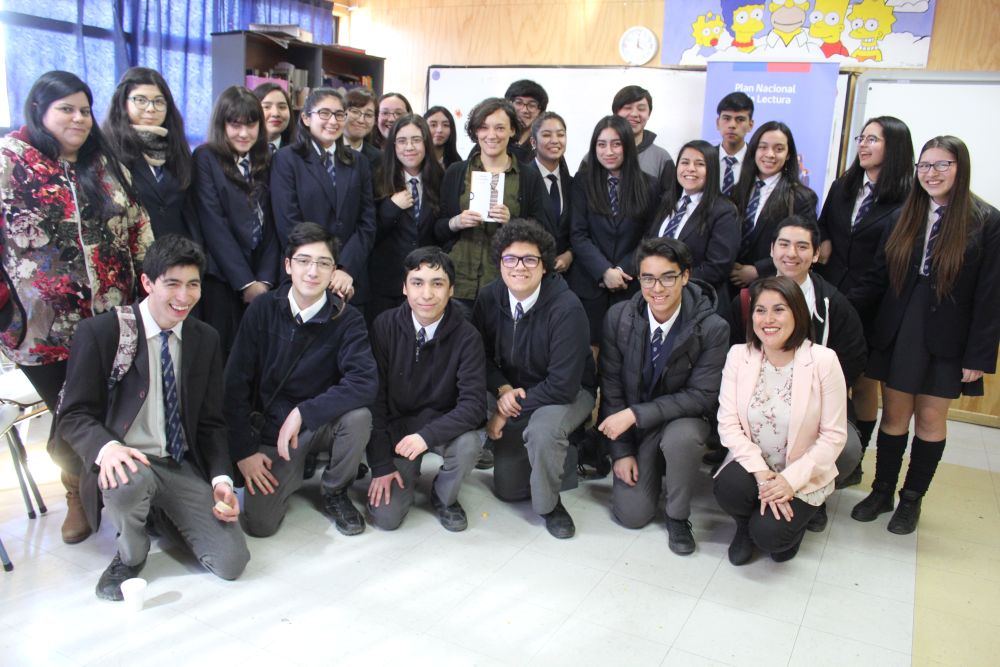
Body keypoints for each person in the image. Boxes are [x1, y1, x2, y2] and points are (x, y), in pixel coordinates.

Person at [0, 70, 153, 545]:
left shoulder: (105, 165)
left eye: (85, 110)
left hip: (111, 321)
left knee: (106, 407)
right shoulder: (9, 162)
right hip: (41, 330)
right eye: (66, 109)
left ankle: (110, 488)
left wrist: (150, 289)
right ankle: (76, 494)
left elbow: (138, 227)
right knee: (69, 414)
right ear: (39, 110)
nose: (79, 119)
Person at [57, 235, 249, 600]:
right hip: (130, 460)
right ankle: (130, 554)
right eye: (172, 283)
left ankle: (158, 513)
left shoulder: (205, 338)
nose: (184, 296)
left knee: (231, 562)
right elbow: (73, 414)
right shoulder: (102, 332)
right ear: (147, 282)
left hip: (178, 461)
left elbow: (211, 422)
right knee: (128, 482)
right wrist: (107, 448)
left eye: (193, 284)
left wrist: (221, 479)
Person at [849, 136, 1000, 534]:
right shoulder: (904, 215)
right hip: (900, 328)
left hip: (950, 337)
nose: (931, 173)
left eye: (942, 165)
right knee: (894, 417)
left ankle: (911, 499)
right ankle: (882, 491)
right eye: (925, 165)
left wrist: (978, 357)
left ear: (960, 167)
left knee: (930, 420)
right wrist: (839, 305)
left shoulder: (986, 220)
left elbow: (991, 294)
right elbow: (877, 278)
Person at [225, 223, 376, 537]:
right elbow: (234, 384)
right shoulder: (263, 309)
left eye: (323, 263)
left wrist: (304, 412)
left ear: (334, 270)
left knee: (359, 417)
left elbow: (364, 381)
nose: (312, 271)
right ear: (288, 265)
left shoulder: (347, 318)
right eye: (304, 261)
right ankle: (297, 467)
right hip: (274, 430)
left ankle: (335, 490)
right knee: (260, 525)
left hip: (320, 422)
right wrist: (244, 452)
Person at [730, 215, 866, 529]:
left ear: (816, 254)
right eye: (784, 244)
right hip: (759, 406)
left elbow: (853, 359)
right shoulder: (748, 300)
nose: (792, 253)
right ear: (772, 250)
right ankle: (760, 492)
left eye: (802, 246)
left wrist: (813, 399)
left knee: (847, 448)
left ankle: (812, 495)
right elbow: (734, 354)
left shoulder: (833, 304)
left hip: (815, 410)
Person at [598, 238, 729, 554]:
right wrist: (621, 452)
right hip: (638, 427)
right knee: (631, 515)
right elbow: (612, 387)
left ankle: (677, 515)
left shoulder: (713, 327)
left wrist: (635, 414)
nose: (657, 288)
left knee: (682, 438)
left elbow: (702, 396)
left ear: (685, 276)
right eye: (648, 278)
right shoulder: (619, 317)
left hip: (682, 422)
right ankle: (651, 469)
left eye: (668, 277)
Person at [473, 220, 596, 538]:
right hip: (515, 391)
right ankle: (556, 457)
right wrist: (503, 389)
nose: (519, 267)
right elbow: (480, 357)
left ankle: (551, 506)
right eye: (510, 259)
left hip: (566, 392)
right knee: (509, 490)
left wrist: (505, 410)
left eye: (530, 259)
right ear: (500, 262)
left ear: (544, 265)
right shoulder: (489, 297)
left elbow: (563, 385)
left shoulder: (567, 307)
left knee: (544, 431)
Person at [714, 276, 847, 565]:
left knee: (772, 537)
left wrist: (789, 480)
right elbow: (728, 423)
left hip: (800, 470)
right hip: (756, 464)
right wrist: (762, 474)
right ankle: (744, 526)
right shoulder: (739, 355)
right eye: (760, 310)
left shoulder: (823, 360)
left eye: (779, 310)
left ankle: (783, 528)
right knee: (728, 487)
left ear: (797, 313)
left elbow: (834, 436)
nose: (768, 319)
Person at [817, 116, 913, 482]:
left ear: (894, 147)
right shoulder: (844, 185)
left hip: (871, 304)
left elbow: (884, 266)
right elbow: (823, 226)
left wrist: (845, 304)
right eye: (862, 137)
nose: (863, 144)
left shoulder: (906, 198)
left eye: (873, 139)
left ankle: (855, 458)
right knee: (826, 378)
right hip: (829, 293)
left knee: (862, 382)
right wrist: (824, 239)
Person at [367, 247, 486, 531]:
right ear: (404, 288)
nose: (427, 294)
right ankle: (406, 472)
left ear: (451, 290)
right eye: (417, 283)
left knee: (469, 444)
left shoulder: (467, 336)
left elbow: (474, 406)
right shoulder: (384, 326)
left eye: (438, 284)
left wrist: (426, 436)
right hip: (398, 431)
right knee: (386, 518)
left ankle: (444, 496)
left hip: (443, 426)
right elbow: (374, 400)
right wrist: (381, 465)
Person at [434, 97, 550, 308]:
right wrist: (456, 222)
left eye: (500, 128)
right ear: (475, 131)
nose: (491, 135)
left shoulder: (528, 176)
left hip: (504, 283)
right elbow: (437, 229)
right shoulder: (457, 172)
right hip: (458, 281)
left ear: (512, 130)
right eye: (483, 127)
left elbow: (542, 232)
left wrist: (512, 222)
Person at [192, 85, 279, 357]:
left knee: (260, 357)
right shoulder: (205, 157)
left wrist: (264, 280)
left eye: (251, 125)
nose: (244, 133)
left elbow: (274, 225)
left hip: (262, 277)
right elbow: (213, 224)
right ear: (222, 125)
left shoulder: (268, 159)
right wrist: (245, 283)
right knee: (223, 356)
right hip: (222, 277)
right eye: (235, 125)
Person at [270, 88, 376, 310]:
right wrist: (324, 267)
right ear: (306, 118)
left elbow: (367, 222)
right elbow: (288, 222)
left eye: (339, 114)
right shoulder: (287, 159)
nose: (333, 121)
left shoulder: (358, 161)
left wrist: (344, 268)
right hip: (305, 275)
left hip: (349, 279)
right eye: (324, 113)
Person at [569, 115, 659, 348]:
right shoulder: (582, 182)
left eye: (616, 144)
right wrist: (603, 270)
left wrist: (621, 270)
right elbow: (578, 234)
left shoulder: (649, 185)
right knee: (588, 352)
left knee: (626, 351)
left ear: (627, 146)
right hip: (589, 284)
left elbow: (650, 238)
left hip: (630, 285)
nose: (608, 151)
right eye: (601, 144)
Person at [105, 66, 200, 241]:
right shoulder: (109, 152)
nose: (151, 108)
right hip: (135, 251)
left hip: (178, 251)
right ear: (123, 102)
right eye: (140, 100)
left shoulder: (176, 149)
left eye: (159, 101)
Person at [649, 139, 739, 320]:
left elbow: (718, 266)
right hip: (658, 299)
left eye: (699, 164)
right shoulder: (666, 201)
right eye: (685, 162)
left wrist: (670, 281)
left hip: (699, 303)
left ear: (712, 170)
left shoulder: (724, 210)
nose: (690, 169)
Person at [369, 114, 444, 321]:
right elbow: (369, 232)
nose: (409, 147)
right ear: (393, 146)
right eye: (402, 141)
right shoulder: (377, 177)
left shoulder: (440, 178)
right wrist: (391, 208)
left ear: (426, 143)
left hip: (426, 286)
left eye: (416, 140)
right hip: (386, 284)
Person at [729, 121, 818, 290]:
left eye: (779, 149)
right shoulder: (737, 191)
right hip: (729, 284)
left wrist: (758, 270)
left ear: (789, 154)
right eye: (763, 147)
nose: (770, 154)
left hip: (772, 285)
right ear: (754, 150)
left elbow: (803, 246)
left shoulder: (801, 197)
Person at [524, 111, 573, 274]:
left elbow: (580, 227)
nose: (555, 140)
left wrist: (570, 254)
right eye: (546, 135)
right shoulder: (522, 179)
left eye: (560, 135)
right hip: (529, 269)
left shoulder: (573, 183)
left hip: (567, 273)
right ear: (533, 141)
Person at [610, 85, 675, 191]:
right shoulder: (597, 156)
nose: (634, 114)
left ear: (649, 114)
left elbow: (670, 198)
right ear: (615, 113)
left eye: (641, 109)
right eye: (627, 107)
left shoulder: (662, 158)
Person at [714, 92, 755, 196]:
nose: (732, 125)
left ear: (750, 125)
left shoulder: (757, 160)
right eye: (726, 118)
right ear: (718, 123)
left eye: (740, 119)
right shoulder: (705, 157)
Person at [504, 79, 548, 163]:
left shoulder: (545, 147)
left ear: (541, 111)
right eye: (518, 103)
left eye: (532, 105)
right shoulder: (495, 139)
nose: (524, 110)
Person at [343, 87, 382, 173]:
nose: (361, 120)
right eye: (355, 111)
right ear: (342, 113)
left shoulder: (379, 159)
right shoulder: (327, 150)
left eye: (368, 115)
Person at [253, 82, 293, 154]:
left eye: (282, 107)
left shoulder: (298, 152)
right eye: (266, 107)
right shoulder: (243, 151)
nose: (275, 113)